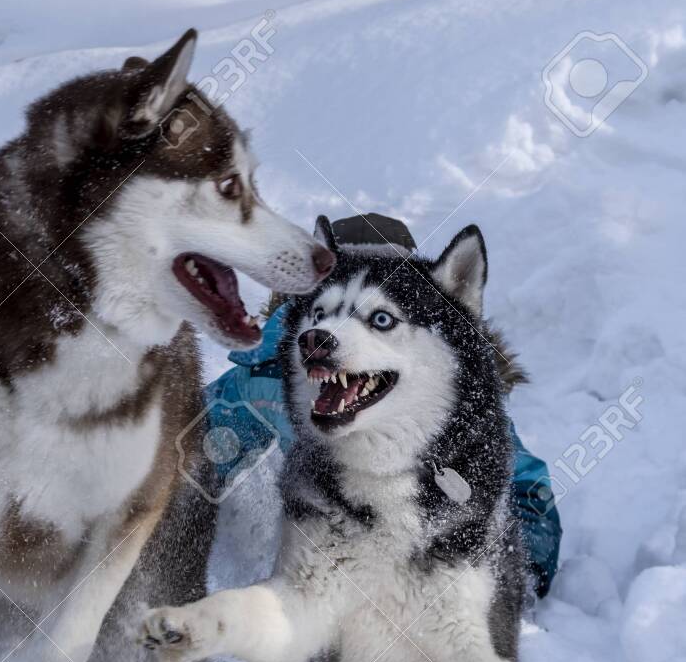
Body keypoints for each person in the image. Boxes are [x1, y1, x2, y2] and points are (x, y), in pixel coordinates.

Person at [203, 214, 562, 597]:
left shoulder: (452, 397)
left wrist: (516, 571)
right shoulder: (263, 377)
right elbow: (187, 456)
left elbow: (523, 490)